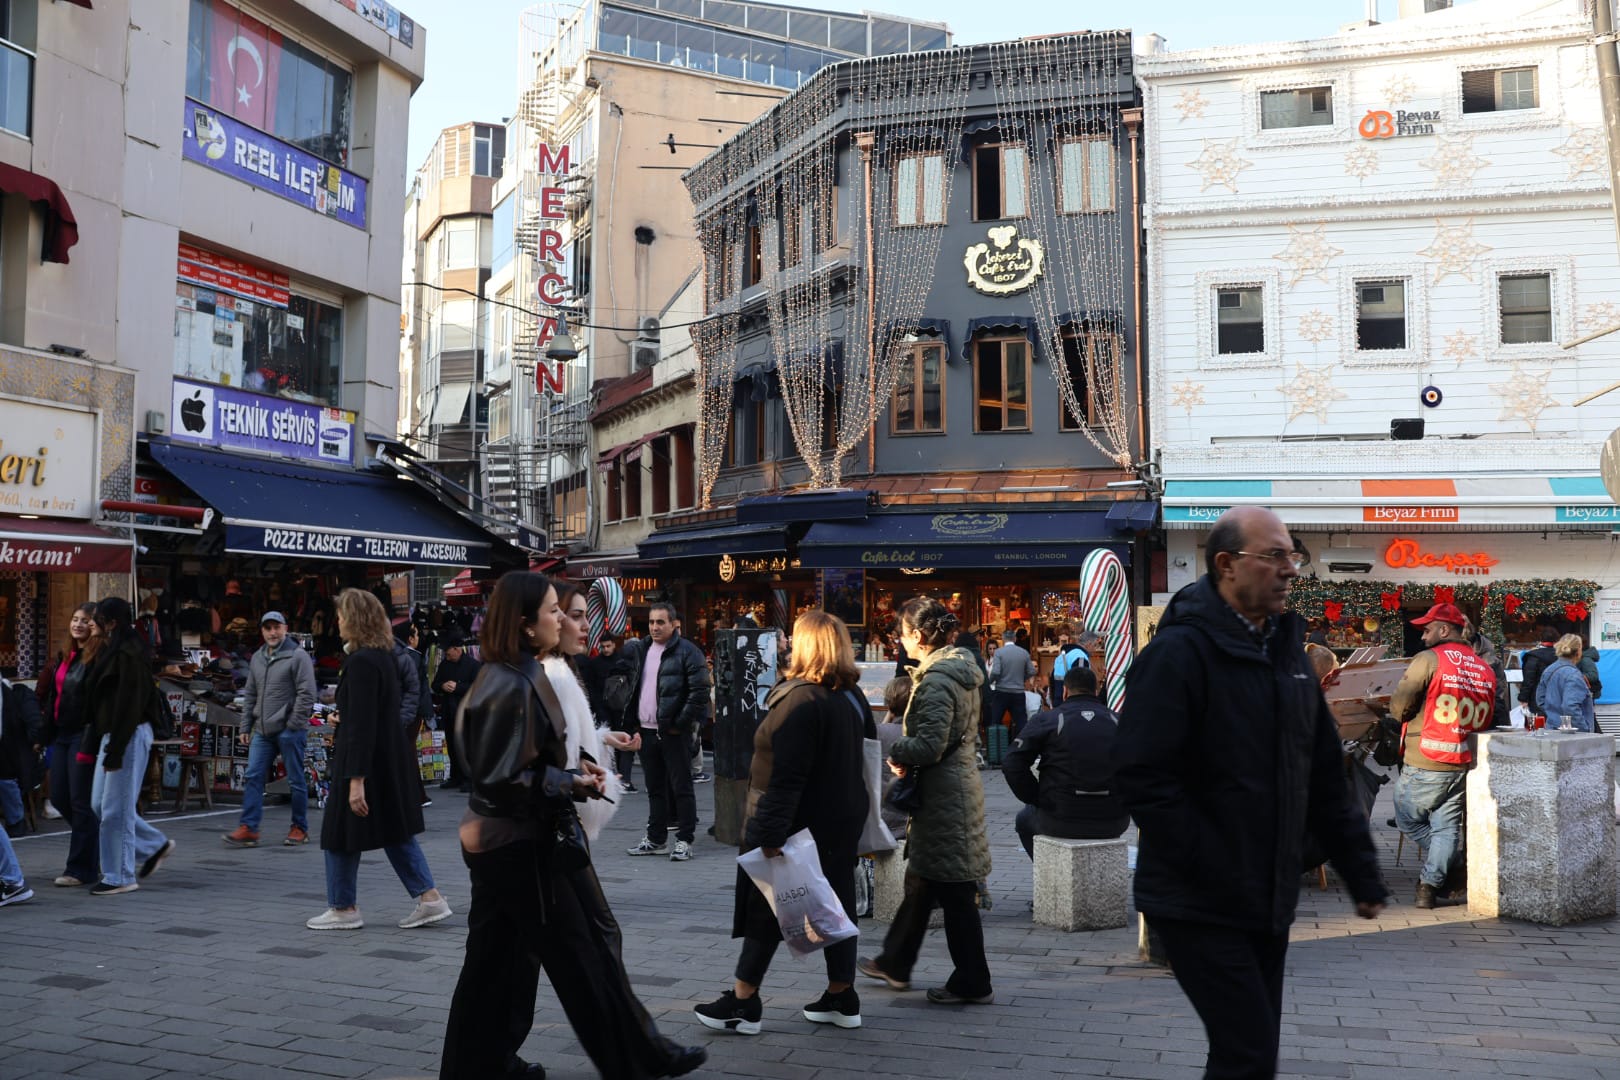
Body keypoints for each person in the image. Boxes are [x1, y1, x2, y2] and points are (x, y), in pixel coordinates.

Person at [1115, 506, 1388, 1079]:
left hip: (1266, 897)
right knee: (1249, 1053)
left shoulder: (1285, 659)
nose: (1290, 569)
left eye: (1293, 555)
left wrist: (1360, 871)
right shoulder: (1178, 655)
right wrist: (1209, 858)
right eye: (1275, 556)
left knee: (1245, 1052)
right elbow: (1143, 776)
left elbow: (1320, 773)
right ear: (1226, 566)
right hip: (1197, 900)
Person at [439, 571, 705, 1080]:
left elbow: (520, 764)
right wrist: (568, 782)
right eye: (553, 611)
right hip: (519, 844)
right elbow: (501, 779)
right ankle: (633, 1062)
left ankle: (481, 1066)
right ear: (524, 622)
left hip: (510, 840)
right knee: (578, 960)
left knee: (495, 965)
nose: (562, 619)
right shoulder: (507, 681)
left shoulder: (514, 674)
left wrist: (570, 770)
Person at [695, 611, 875, 1035]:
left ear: (806, 645)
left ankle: (742, 1002)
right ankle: (841, 995)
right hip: (840, 822)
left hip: (799, 825)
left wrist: (769, 836)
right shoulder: (851, 696)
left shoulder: (801, 700)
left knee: (767, 910)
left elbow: (785, 778)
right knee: (836, 909)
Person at [858, 597, 994, 1006]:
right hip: (953, 787)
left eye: (901, 634)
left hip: (943, 796)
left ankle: (973, 980)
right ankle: (896, 962)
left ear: (917, 635)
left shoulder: (936, 680)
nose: (899, 642)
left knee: (952, 888)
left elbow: (930, 743)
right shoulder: (959, 670)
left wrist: (898, 748)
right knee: (925, 880)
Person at [306, 589, 449, 931]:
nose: (337, 623)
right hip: (387, 758)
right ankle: (429, 898)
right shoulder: (383, 656)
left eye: (341, 617)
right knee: (394, 830)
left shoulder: (361, 661)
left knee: (339, 833)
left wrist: (356, 779)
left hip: (364, 761)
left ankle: (343, 907)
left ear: (354, 619)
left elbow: (362, 723)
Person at [1390, 601, 1497, 909]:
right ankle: (1428, 887)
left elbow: (1400, 705)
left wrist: (1400, 713)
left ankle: (1457, 862)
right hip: (1462, 758)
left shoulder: (1429, 659)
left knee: (1406, 818)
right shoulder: (1483, 666)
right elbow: (1493, 711)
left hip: (1426, 756)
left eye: (1427, 630)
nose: (1423, 637)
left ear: (1444, 629)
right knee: (1445, 827)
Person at [83, 598, 176, 896]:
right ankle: (152, 845)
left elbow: (129, 706)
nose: (90, 622)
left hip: (129, 734)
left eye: (96, 618)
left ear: (111, 622)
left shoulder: (130, 653)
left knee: (115, 809)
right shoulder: (112, 649)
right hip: (115, 734)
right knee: (100, 804)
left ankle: (120, 874)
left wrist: (115, 751)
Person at [1002, 666, 1128, 859]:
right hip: (1113, 819)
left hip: (1059, 817)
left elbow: (1012, 762)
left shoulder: (1048, 719)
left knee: (1023, 820)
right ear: (1096, 691)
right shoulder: (1117, 721)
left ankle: (1049, 872)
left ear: (1065, 691)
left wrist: (1036, 797)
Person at [617, 604, 710, 862]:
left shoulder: (688, 652)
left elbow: (700, 692)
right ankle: (656, 838)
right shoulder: (642, 649)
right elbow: (635, 687)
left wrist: (678, 724)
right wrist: (632, 723)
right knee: (655, 788)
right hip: (646, 732)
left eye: (660, 622)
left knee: (681, 787)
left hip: (673, 733)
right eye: (651, 622)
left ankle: (684, 840)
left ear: (674, 624)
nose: (655, 627)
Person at [223, 612, 318, 848]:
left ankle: (299, 828)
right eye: (268, 628)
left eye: (276, 627)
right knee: (254, 776)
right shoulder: (257, 657)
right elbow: (251, 694)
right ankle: (249, 828)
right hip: (262, 730)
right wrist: (246, 726)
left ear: (285, 628)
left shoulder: (298, 656)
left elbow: (307, 694)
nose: (272, 633)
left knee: (295, 781)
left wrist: (293, 725)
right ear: (262, 631)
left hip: (289, 730)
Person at [549, 582, 629, 839]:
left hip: (559, 816)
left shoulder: (564, 669)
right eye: (576, 616)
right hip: (543, 825)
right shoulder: (546, 676)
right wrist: (571, 781)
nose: (586, 625)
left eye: (586, 615)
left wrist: (599, 740)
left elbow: (563, 743)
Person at [35, 603, 100, 886]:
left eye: (85, 621)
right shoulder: (63, 655)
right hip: (60, 734)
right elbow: (47, 695)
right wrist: (40, 733)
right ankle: (92, 843)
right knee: (60, 797)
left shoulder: (98, 658)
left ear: (94, 626)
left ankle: (79, 869)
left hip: (83, 734)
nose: (78, 625)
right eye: (75, 619)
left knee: (79, 800)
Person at [581, 635, 634, 791]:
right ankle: (614, 776)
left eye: (608, 646)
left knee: (619, 741)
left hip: (619, 707)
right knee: (609, 742)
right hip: (604, 707)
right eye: (603, 646)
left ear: (613, 645)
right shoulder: (596, 663)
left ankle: (622, 777)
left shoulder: (620, 661)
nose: (605, 649)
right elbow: (593, 687)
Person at [431, 632, 482, 791]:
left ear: (457, 649)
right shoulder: (445, 665)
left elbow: (478, 687)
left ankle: (470, 778)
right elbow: (434, 684)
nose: (447, 655)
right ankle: (455, 776)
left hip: (465, 711)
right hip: (448, 709)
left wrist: (458, 687)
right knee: (452, 745)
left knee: (466, 745)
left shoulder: (473, 665)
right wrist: (442, 686)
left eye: (448, 652)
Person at [876, 676, 912, 841]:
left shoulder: (880, 732)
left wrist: (888, 717)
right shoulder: (921, 734)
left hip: (882, 817)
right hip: (911, 818)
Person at [1538, 633, 1595, 733]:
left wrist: (1553, 715)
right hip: (1572, 734)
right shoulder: (1574, 675)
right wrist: (1584, 728)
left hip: (1552, 729)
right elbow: (1570, 706)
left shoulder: (1549, 670)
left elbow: (1540, 700)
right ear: (1578, 651)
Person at [986, 628, 1035, 739]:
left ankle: (996, 748)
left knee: (996, 721)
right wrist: (1022, 679)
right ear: (1015, 638)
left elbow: (996, 671)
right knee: (1021, 722)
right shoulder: (1024, 653)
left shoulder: (999, 652)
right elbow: (1032, 671)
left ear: (1003, 639)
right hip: (1018, 692)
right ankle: (1021, 747)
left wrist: (990, 682)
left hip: (1001, 691)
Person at [1518, 625, 1561, 722]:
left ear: (1541, 638)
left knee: (1538, 726)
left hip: (1537, 698)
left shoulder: (1533, 656)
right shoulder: (1562, 656)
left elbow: (1528, 680)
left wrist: (1523, 698)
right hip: (1558, 697)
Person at [1049, 627, 1092, 706]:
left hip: (1058, 701)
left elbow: (1052, 680)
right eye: (1095, 645)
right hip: (1073, 704)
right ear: (1089, 644)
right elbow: (1080, 684)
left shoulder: (1061, 656)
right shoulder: (1080, 656)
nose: (1095, 649)